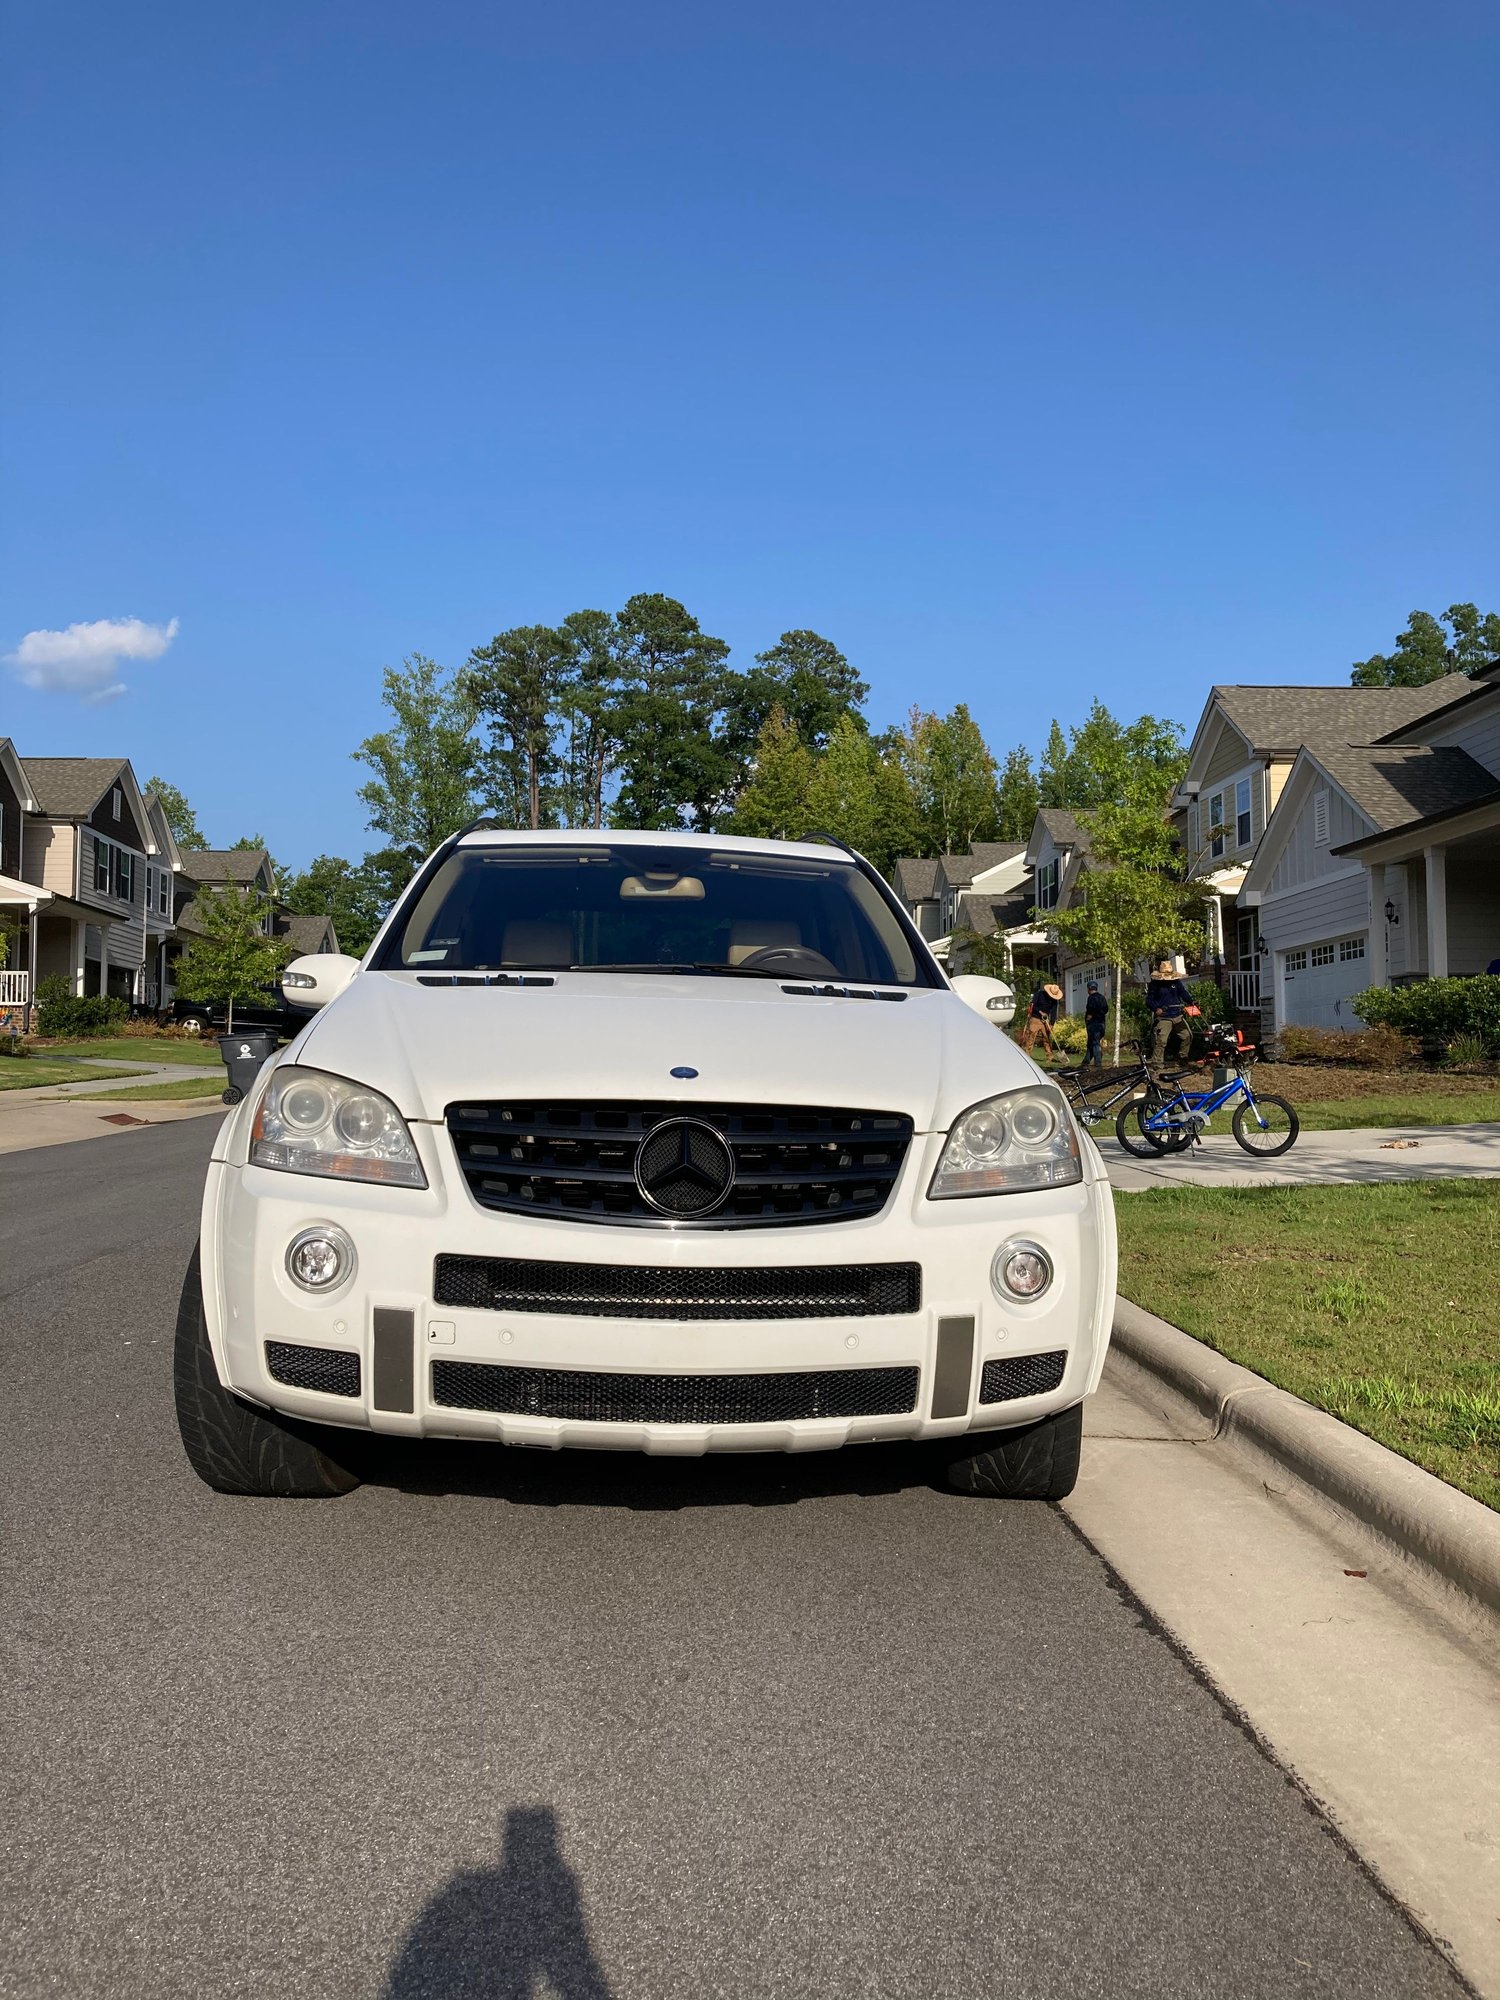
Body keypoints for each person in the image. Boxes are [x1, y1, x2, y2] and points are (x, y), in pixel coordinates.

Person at [1145, 957, 1194, 1070]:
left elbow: (1183, 993)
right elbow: (1149, 1000)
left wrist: (1191, 1001)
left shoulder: (1176, 982)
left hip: (1177, 1014)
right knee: (1161, 1040)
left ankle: (1182, 1057)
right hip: (1164, 1017)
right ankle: (1157, 1063)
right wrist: (1156, 1008)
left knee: (1187, 1036)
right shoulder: (1155, 984)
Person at [1020, 979, 1063, 1056]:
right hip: (1035, 1018)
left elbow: (1053, 1011)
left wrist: (1052, 1023)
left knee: (1046, 1038)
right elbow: (1033, 1005)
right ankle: (1027, 1054)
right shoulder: (1039, 994)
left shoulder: (1054, 1000)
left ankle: (1050, 1056)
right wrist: (1040, 1012)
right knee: (1031, 1036)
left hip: (1045, 1020)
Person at [1083, 979, 1109, 1067]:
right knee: (1090, 1043)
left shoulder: (1091, 998)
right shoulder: (1102, 997)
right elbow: (1106, 1009)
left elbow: (1090, 1010)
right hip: (1102, 1024)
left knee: (1095, 1043)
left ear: (1089, 989)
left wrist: (1088, 1019)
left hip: (1094, 1024)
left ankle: (1098, 1063)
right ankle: (1085, 1062)